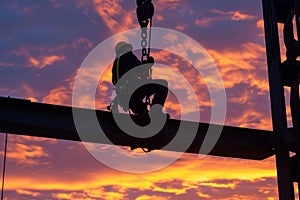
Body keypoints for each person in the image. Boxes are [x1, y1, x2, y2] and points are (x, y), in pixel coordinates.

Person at [111, 41, 168, 115]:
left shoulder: (116, 64)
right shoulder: (127, 56)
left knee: (145, 117)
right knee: (162, 84)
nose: (130, 50)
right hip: (134, 91)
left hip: (127, 98)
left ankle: (151, 116)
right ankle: (156, 111)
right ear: (125, 48)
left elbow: (116, 81)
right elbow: (139, 68)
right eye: (129, 48)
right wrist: (148, 63)